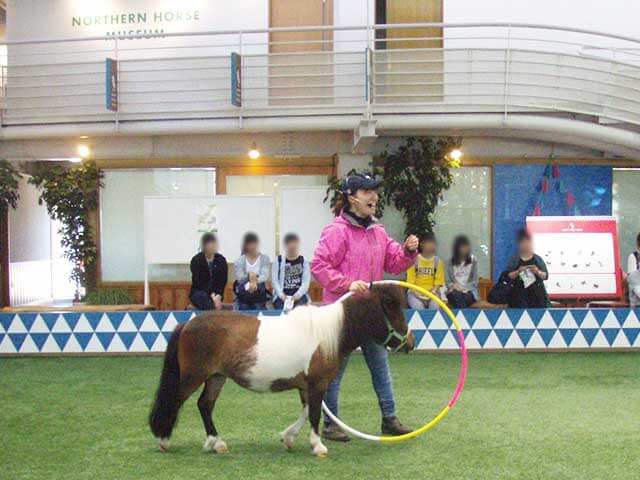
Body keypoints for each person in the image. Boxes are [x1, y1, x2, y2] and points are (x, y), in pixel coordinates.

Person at [312, 171, 419, 442]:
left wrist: (407, 251)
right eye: (367, 191)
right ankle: (330, 423)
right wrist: (346, 283)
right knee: (334, 371)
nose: (374, 196)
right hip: (342, 314)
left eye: (374, 191)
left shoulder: (378, 230)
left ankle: (389, 419)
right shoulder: (336, 231)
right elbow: (319, 266)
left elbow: (394, 263)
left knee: (380, 367)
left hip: (371, 315)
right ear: (351, 198)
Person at [505, 229, 550, 308]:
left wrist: (537, 271)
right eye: (523, 243)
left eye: (528, 242)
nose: (526, 245)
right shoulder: (514, 259)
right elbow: (508, 276)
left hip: (537, 297)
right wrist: (518, 271)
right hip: (518, 296)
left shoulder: (538, 259)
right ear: (519, 244)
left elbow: (545, 276)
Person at [406, 232, 446, 309]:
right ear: (422, 244)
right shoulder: (414, 260)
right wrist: (419, 295)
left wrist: (432, 293)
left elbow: (438, 282)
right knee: (419, 309)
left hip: (432, 293)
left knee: (434, 308)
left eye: (433, 243)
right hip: (415, 294)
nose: (431, 246)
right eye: (429, 243)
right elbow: (410, 282)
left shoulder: (438, 262)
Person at [272, 232, 310, 311]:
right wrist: (281, 295)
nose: (292, 248)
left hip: (299, 296)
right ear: (285, 245)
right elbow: (274, 280)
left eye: (294, 246)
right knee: (282, 313)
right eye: (290, 246)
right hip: (282, 296)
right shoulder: (278, 260)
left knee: (300, 313)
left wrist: (297, 295)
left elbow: (305, 282)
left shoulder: (303, 260)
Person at [189, 233, 227, 310]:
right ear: (204, 246)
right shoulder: (196, 260)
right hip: (199, 293)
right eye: (210, 245)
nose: (213, 247)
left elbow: (222, 281)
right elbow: (199, 283)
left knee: (214, 302)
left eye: (214, 245)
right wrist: (212, 296)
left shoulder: (221, 260)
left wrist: (218, 296)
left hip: (216, 294)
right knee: (204, 299)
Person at [234, 232, 271, 310]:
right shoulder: (239, 261)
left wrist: (254, 281)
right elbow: (240, 278)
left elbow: (264, 276)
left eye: (254, 243)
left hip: (259, 294)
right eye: (249, 244)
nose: (252, 246)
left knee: (258, 307)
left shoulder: (265, 258)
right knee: (244, 308)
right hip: (244, 295)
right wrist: (250, 277)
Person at [445, 234, 479, 308]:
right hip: (454, 291)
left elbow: (475, 281)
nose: (465, 249)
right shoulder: (449, 262)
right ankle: (464, 317)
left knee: (464, 298)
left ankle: (460, 317)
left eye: (467, 246)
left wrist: (465, 289)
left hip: (469, 291)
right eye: (463, 247)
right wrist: (453, 286)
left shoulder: (473, 260)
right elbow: (448, 281)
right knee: (456, 296)